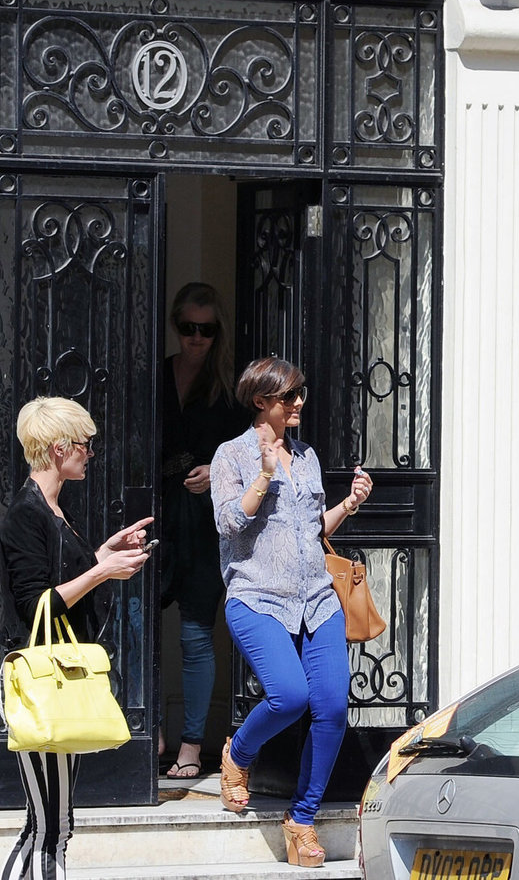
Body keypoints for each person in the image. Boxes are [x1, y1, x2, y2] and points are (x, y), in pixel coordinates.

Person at [211, 357, 372, 868]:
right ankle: (238, 754)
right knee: (289, 696)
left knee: (331, 708)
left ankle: (302, 820)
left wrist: (347, 505)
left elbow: (310, 529)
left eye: (301, 393)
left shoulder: (307, 456)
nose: (299, 402)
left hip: (318, 600)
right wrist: (262, 475)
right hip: (256, 598)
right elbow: (229, 523)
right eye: (289, 396)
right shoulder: (230, 455)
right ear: (261, 402)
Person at [0, 397, 153, 880]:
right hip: (38, 678)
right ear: (59, 447)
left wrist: (105, 551)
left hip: (55, 677)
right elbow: (35, 603)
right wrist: (103, 570)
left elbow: (61, 580)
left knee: (49, 825)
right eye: (85, 444)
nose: (90, 453)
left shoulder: (51, 509)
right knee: (50, 828)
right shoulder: (26, 512)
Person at [159, 282, 244, 779]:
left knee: (195, 633)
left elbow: (255, 450)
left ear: (217, 332)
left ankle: (191, 746)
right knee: (142, 629)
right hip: (157, 512)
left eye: (206, 330)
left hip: (206, 521)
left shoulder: (228, 387)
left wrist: (216, 470)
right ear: (176, 324)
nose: (195, 338)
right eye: (188, 328)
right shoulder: (158, 374)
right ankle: (153, 735)